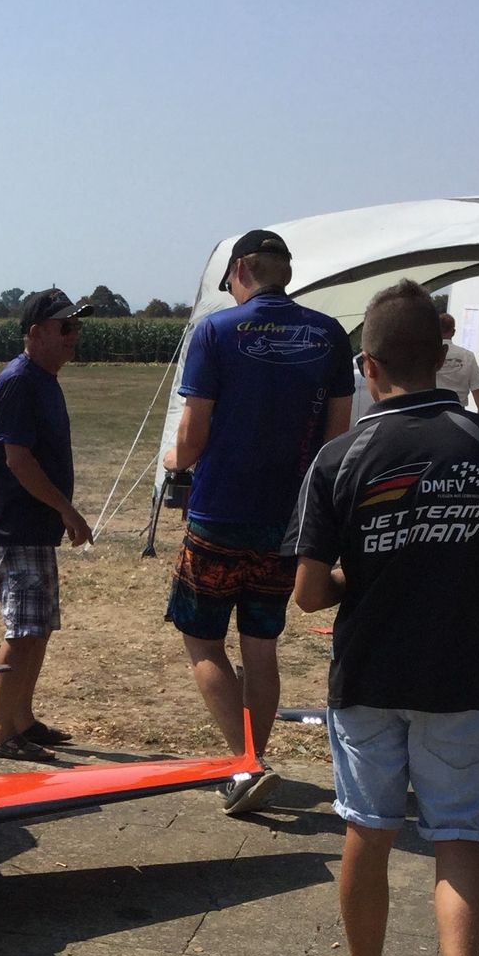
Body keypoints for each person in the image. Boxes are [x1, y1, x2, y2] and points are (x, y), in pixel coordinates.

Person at [287, 278, 479, 956]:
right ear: (443, 357)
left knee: (368, 828)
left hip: (369, 675)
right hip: (466, 676)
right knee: (460, 835)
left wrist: (361, 576)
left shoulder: (340, 457)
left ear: (368, 367)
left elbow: (307, 593)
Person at [162, 228, 354, 813]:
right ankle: (254, 760)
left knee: (202, 641)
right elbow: (338, 437)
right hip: (287, 521)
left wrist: (173, 459)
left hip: (219, 514)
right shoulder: (329, 333)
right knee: (261, 648)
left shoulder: (215, 331)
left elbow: (192, 434)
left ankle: (246, 763)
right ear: (284, 272)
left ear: (241, 270)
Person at [0, 288, 92, 761]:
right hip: (17, 525)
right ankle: (0, 732)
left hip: (35, 526)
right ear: (35, 333)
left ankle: (21, 719)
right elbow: (18, 461)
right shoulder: (20, 381)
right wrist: (67, 509)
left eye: (76, 326)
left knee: (38, 627)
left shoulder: (44, 379)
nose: (73, 335)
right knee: (23, 630)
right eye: (64, 327)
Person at [435, 312, 479, 412]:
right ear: (453, 332)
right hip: (457, 412)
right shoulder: (467, 356)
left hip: (430, 411)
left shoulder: (425, 355)